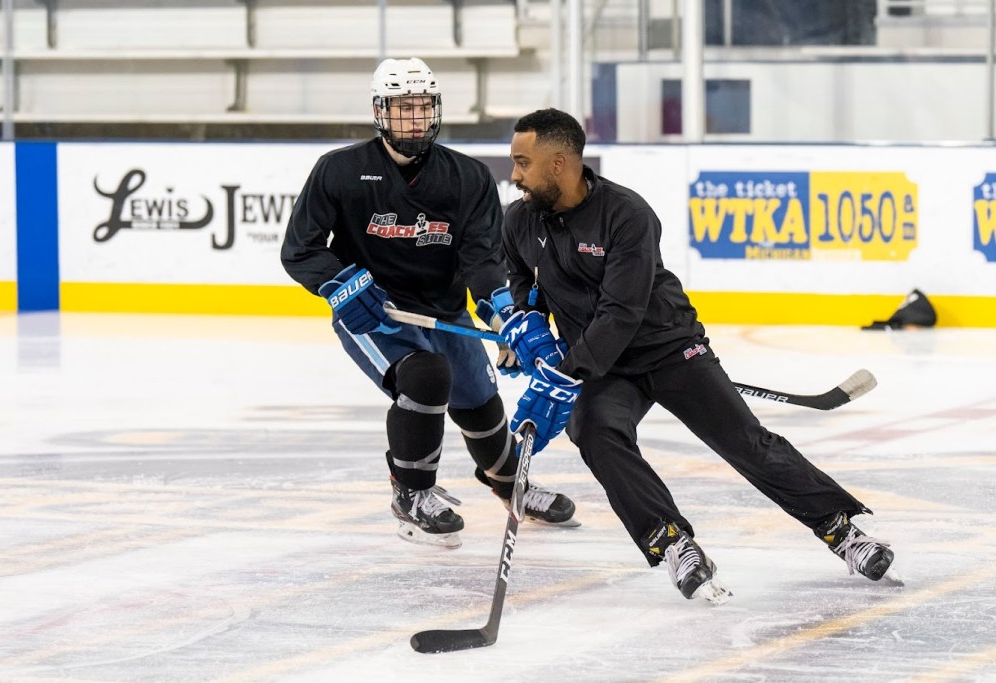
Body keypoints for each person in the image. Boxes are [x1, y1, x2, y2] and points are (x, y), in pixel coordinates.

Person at [491, 107, 895, 603]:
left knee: (746, 442)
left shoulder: (626, 215)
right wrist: (527, 330)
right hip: (600, 366)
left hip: (667, 346)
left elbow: (621, 312)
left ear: (558, 164)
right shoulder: (519, 220)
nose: (515, 175)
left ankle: (840, 529)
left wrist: (567, 371)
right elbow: (521, 280)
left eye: (523, 163)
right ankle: (671, 541)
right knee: (595, 432)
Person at [280, 59, 577, 549]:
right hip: (375, 314)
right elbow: (300, 249)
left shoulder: (468, 177)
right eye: (403, 109)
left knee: (479, 401)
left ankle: (509, 483)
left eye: (422, 107)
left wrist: (506, 317)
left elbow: (481, 261)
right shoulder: (340, 170)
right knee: (425, 375)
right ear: (380, 111)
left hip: (444, 309)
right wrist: (341, 286)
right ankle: (412, 493)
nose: (415, 119)